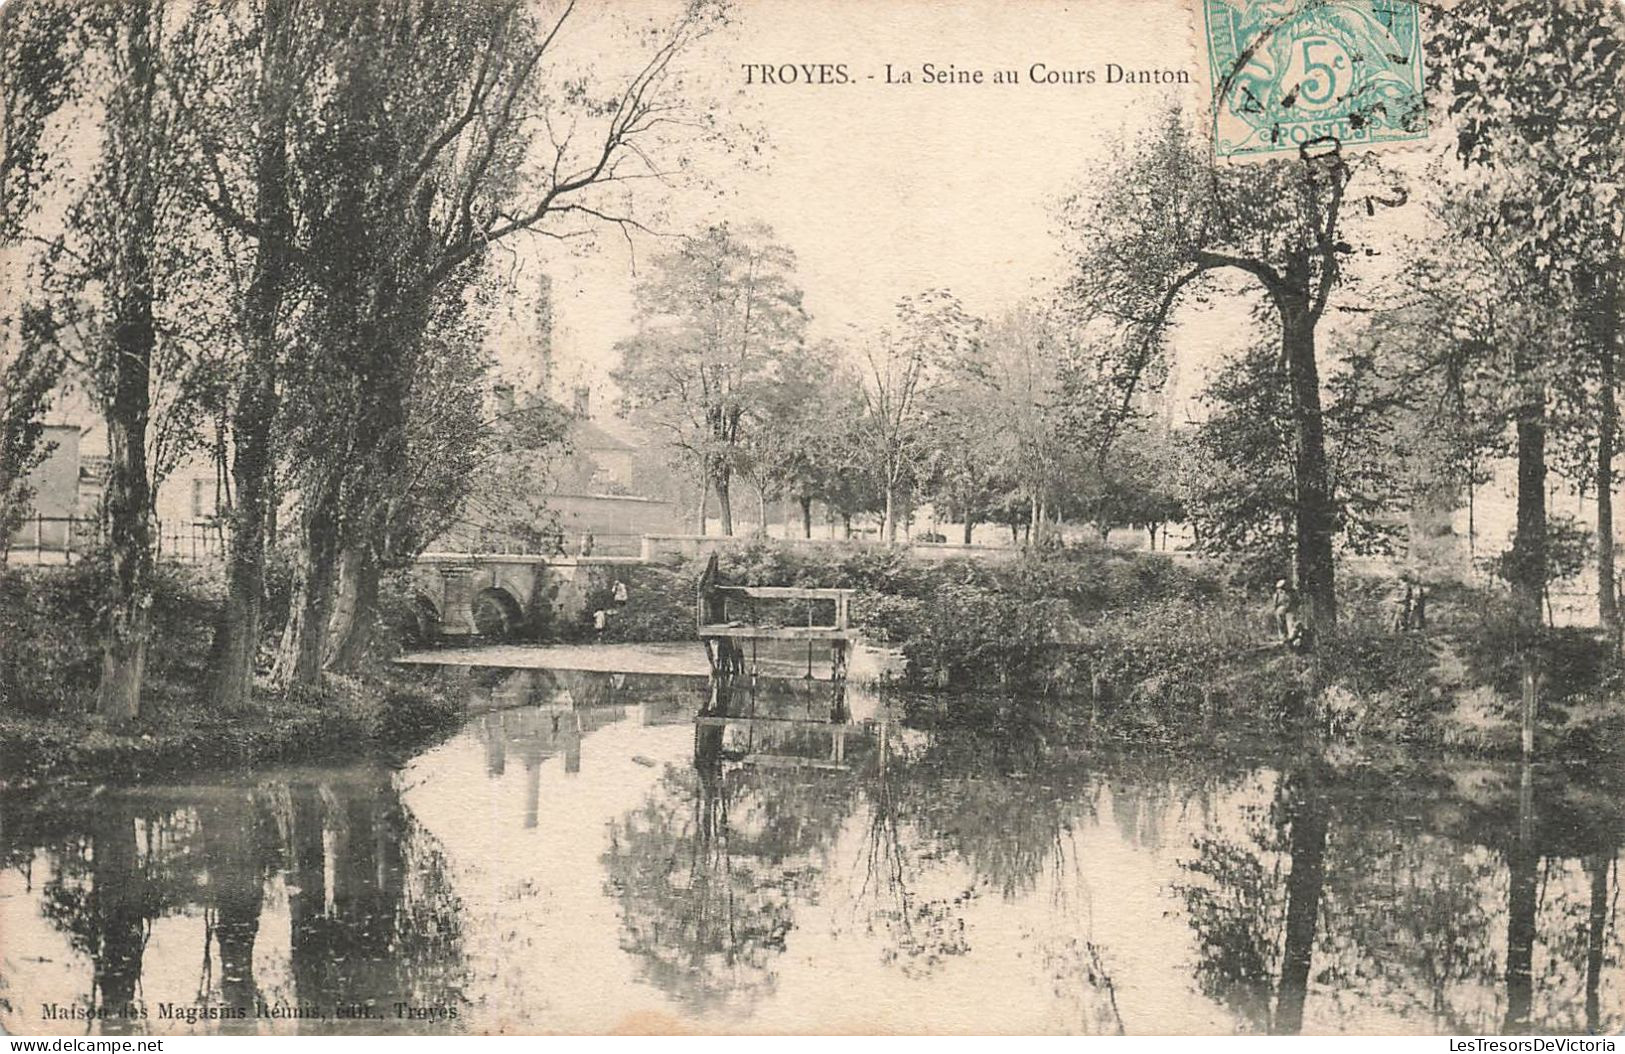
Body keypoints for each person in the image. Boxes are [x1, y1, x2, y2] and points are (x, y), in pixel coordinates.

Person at [1272, 579, 1303, 649]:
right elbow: (1275, 605)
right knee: (1280, 620)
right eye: (1280, 588)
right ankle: (1283, 638)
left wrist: (1292, 607)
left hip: (1291, 611)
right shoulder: (1277, 595)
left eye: (1283, 588)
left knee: (1292, 622)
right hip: (1281, 611)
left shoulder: (1292, 593)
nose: (1281, 590)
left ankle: (1293, 637)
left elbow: (1297, 602)